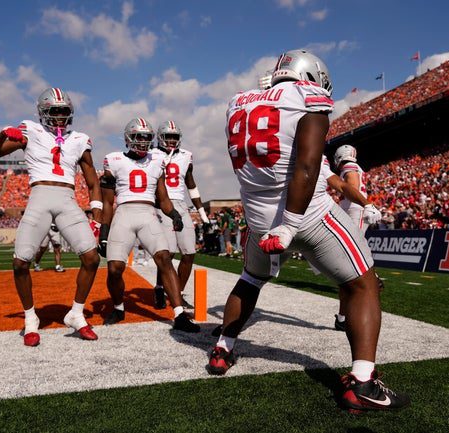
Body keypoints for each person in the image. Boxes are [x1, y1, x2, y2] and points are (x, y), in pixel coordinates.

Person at [209, 50, 409, 412]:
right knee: (363, 283)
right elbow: (306, 165)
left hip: (257, 217)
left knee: (251, 280)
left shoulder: (237, 101)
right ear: (311, 75)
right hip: (307, 213)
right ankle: (363, 382)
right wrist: (290, 223)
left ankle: (223, 348)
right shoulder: (307, 97)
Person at [0, 87, 102, 347]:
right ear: (43, 112)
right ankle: (30, 319)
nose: (60, 116)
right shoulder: (30, 130)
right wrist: (3, 133)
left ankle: (76, 313)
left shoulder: (80, 139)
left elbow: (92, 181)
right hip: (39, 195)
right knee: (20, 262)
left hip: (67, 199)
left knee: (92, 258)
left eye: (64, 111)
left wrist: (97, 214)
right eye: (54, 110)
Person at [97, 117, 200, 333]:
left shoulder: (156, 161)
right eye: (138, 136)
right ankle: (118, 307)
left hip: (148, 213)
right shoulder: (113, 160)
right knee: (115, 268)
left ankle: (179, 313)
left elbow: (162, 198)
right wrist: (103, 232)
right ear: (127, 139)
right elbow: (107, 202)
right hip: (123, 214)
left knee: (164, 258)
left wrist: (174, 215)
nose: (142, 141)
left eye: (146, 137)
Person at [151, 120, 210, 310]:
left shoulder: (186, 156)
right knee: (168, 252)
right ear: (160, 137)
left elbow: (190, 184)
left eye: (174, 137)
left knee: (189, 252)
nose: (171, 140)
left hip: (181, 204)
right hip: (162, 204)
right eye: (168, 136)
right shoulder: (152, 154)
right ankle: (160, 288)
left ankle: (179, 293)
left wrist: (201, 210)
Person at [332, 145, 383, 331]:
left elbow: (352, 188)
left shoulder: (349, 168)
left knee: (350, 259)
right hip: (353, 210)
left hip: (355, 211)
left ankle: (371, 278)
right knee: (347, 263)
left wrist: (339, 197)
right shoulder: (353, 167)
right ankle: (342, 317)